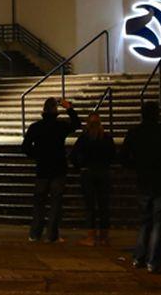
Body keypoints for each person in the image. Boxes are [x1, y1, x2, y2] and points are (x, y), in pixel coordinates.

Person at [120, 101, 161, 273]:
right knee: (159, 224)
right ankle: (153, 261)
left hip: (144, 181)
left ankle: (139, 257)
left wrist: (136, 165)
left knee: (145, 222)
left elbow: (123, 156)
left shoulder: (134, 132)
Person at [21, 97, 80, 243]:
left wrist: (37, 155)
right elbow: (77, 124)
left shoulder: (36, 127)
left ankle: (35, 233)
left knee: (39, 203)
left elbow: (25, 147)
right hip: (58, 168)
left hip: (42, 168)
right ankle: (51, 234)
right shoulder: (60, 126)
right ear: (56, 110)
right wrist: (69, 108)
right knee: (55, 203)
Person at [70, 112, 115, 246]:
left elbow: (73, 156)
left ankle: (91, 237)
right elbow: (113, 155)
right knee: (103, 206)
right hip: (103, 173)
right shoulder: (106, 138)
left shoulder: (84, 138)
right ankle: (104, 237)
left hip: (88, 173)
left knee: (90, 206)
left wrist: (80, 166)